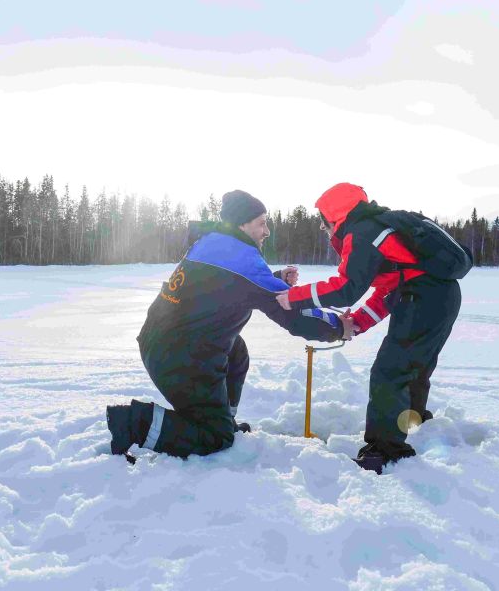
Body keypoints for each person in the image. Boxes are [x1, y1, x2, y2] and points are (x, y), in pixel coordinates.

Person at [107, 190, 353, 461]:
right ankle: (133, 423)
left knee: (235, 351)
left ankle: (223, 418)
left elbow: (229, 284)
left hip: (168, 340)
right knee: (215, 437)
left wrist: (275, 277)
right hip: (178, 355)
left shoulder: (215, 243)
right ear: (241, 225)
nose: (267, 231)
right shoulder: (240, 259)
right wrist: (337, 326)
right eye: (261, 223)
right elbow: (291, 312)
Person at [276, 183, 464, 474]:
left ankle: (386, 450)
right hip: (439, 296)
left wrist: (293, 297)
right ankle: (412, 421)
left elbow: (345, 289)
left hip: (422, 298)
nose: (325, 233)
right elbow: (388, 291)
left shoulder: (361, 232)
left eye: (324, 225)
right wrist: (358, 323)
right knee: (414, 366)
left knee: (390, 370)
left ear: (335, 219)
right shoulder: (378, 229)